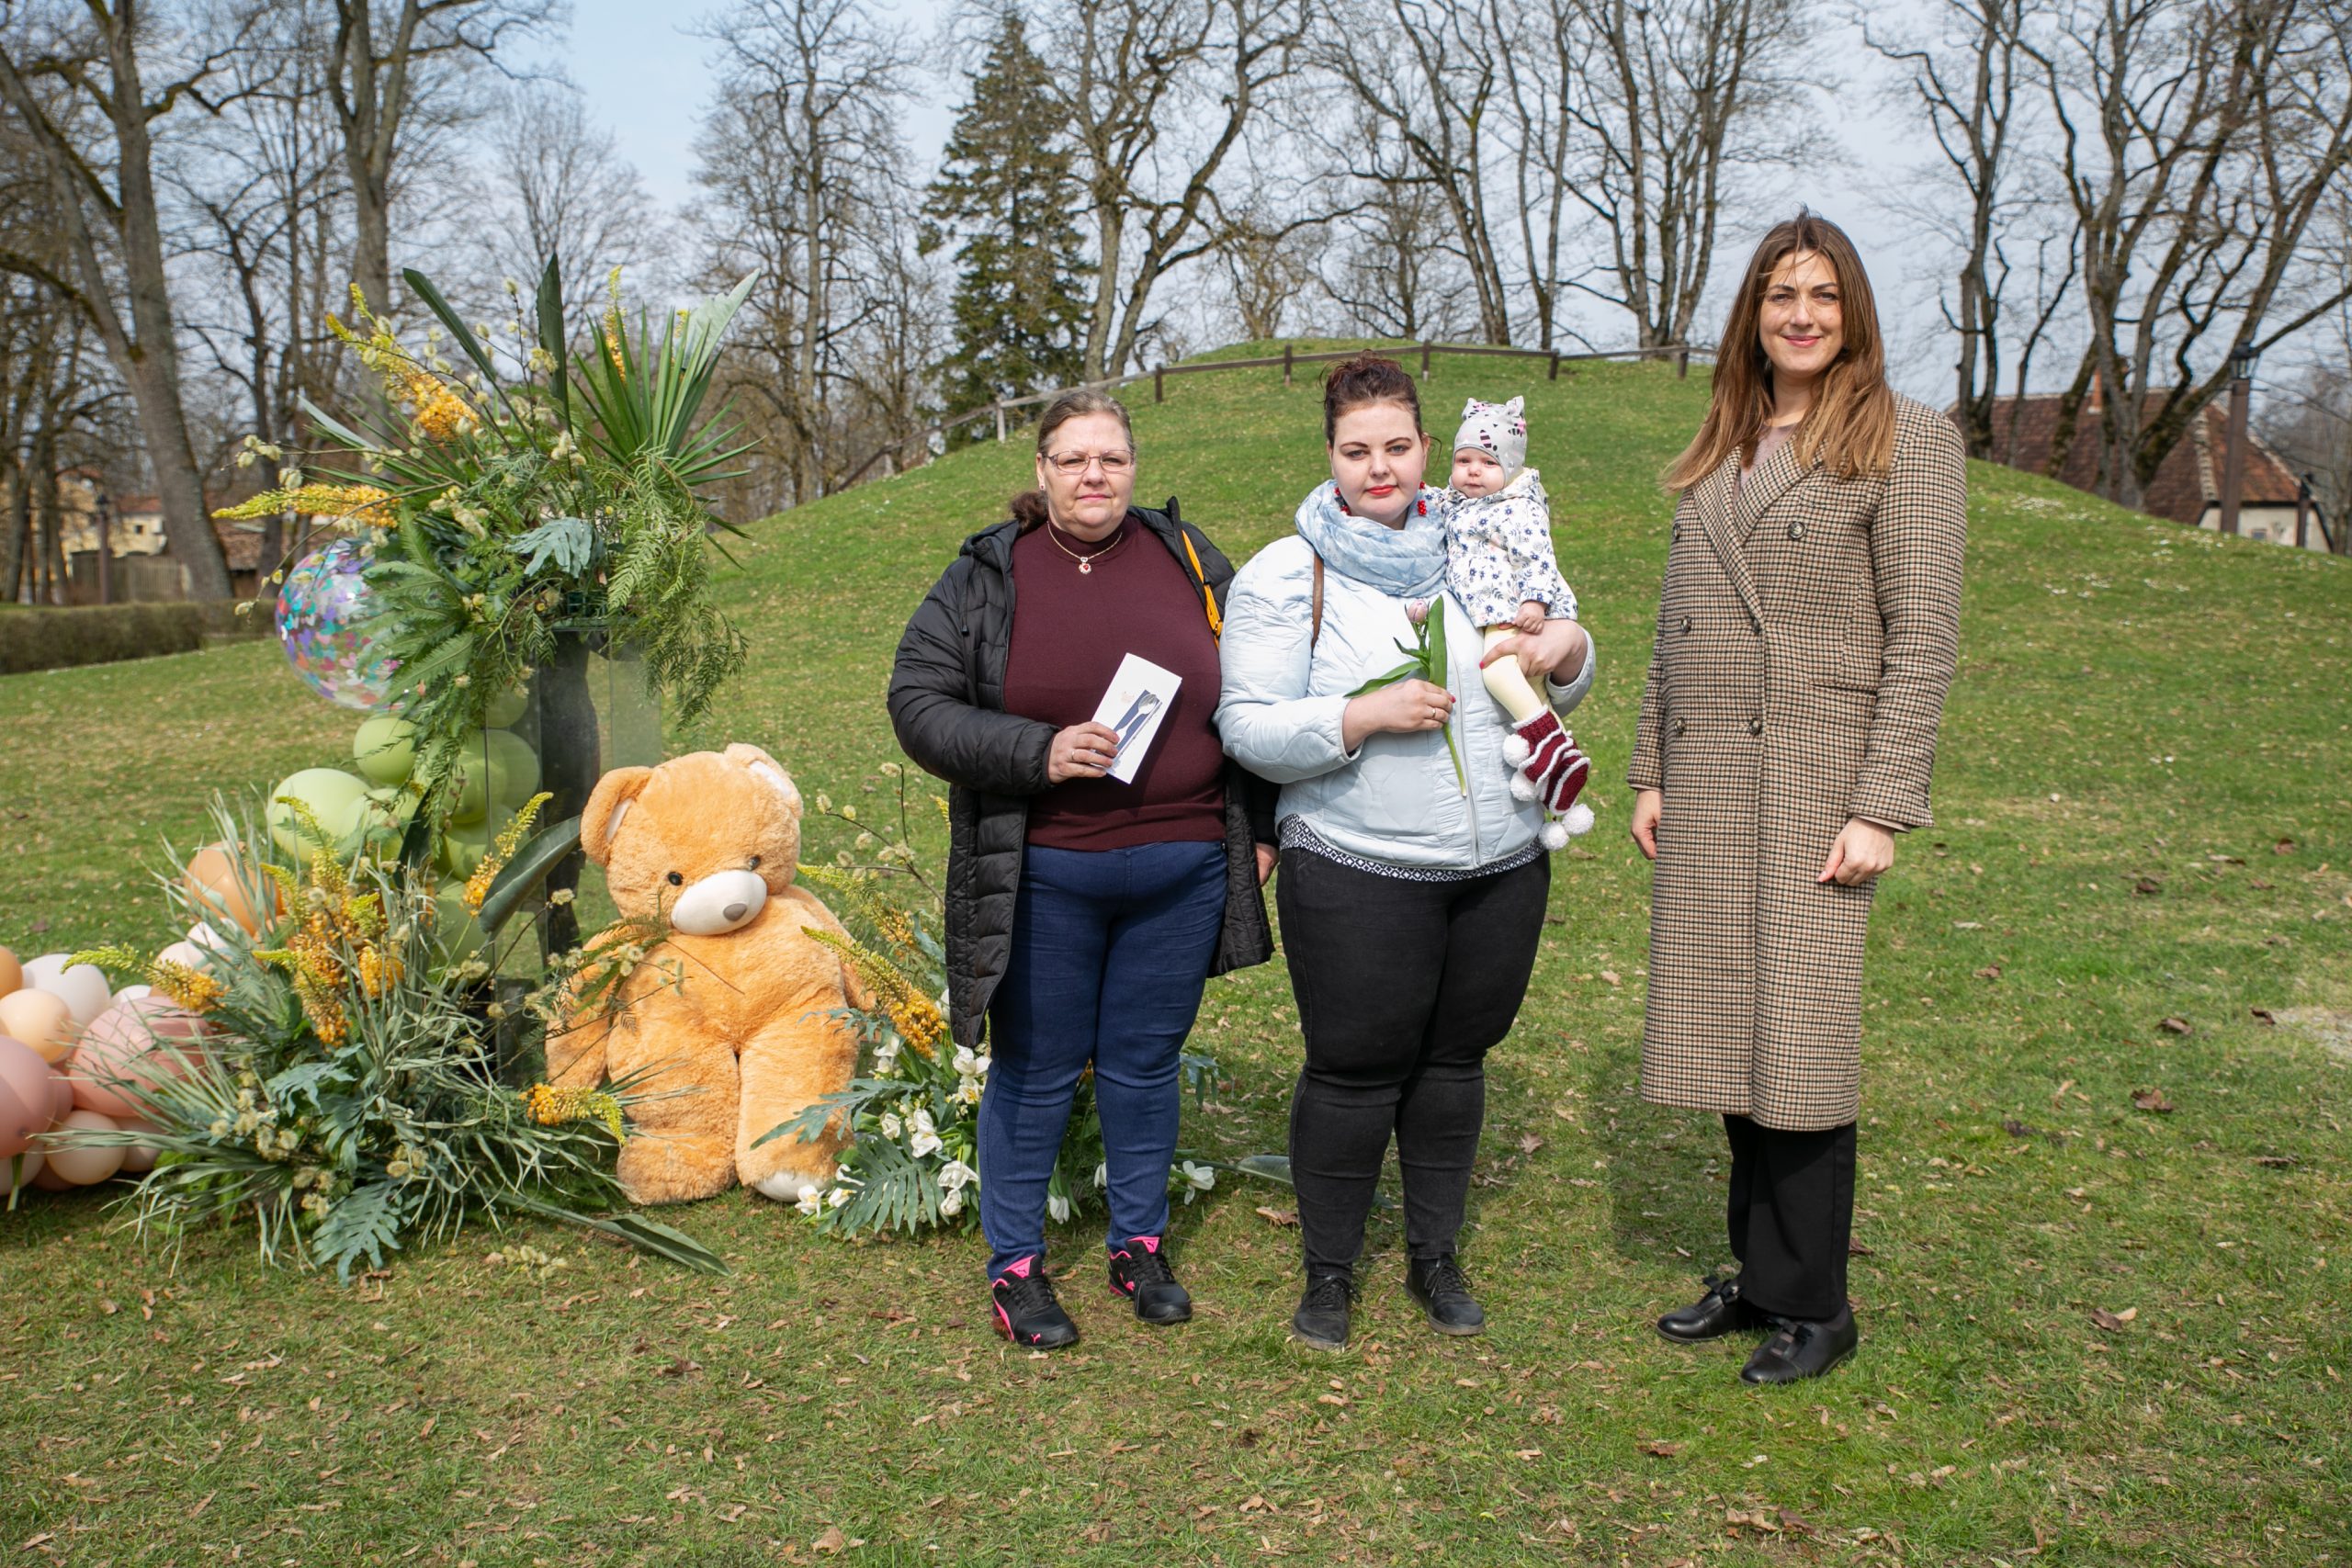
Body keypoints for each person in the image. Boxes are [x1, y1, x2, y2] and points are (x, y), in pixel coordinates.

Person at [1627, 210, 1966, 1384]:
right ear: (1754, 314)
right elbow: (1673, 626)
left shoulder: (1907, 440)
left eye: (1822, 295)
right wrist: (1651, 770)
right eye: (1781, 295)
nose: (1801, 315)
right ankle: (1763, 1276)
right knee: (1732, 1034)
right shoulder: (1722, 440)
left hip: (1818, 788)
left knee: (1801, 1042)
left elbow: (1922, 637)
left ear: (1851, 311)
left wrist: (1882, 804)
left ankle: (1817, 1306)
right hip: (1711, 784)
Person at [1216, 354, 1596, 1351]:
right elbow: (1246, 725)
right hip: (1356, 862)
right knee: (1353, 1069)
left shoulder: (1482, 539)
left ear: (1427, 447)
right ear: (1329, 455)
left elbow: (1555, 660)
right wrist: (1360, 716)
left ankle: (1435, 1255)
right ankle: (1329, 1272)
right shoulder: (1288, 571)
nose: (1378, 468)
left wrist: (1570, 650)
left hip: (1499, 864)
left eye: (1396, 446)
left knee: (1454, 1064)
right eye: (1356, 451)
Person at [887, 389, 1276, 1351]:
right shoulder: (987, 574)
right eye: (1073, 459)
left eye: (1111, 457)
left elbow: (1266, 696)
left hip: (1183, 869)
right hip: (1047, 873)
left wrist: (1260, 829)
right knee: (1037, 1069)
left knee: (1145, 1064)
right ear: (1042, 470)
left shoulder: (1192, 561)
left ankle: (1137, 1245)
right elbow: (917, 700)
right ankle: (1016, 1268)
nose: (1093, 475)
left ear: (1133, 465)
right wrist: (1038, 750)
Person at [1438, 395, 1592, 837]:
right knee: (1534, 692)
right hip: (1491, 609)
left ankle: (1554, 752)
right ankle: (1556, 791)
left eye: (1487, 463)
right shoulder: (1458, 503)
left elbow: (1538, 557)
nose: (1473, 471)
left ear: (1508, 468)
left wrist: (1535, 603)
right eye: (1464, 460)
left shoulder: (1518, 507)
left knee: (1498, 673)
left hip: (1512, 610)